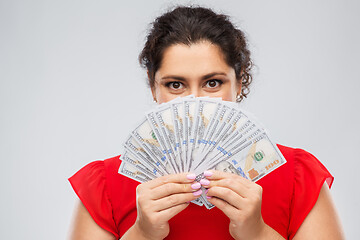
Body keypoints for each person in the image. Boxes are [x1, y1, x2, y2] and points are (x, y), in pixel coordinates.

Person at [68, 6, 344, 240]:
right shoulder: (104, 187)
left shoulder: (298, 179)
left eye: (213, 83)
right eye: (175, 84)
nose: (194, 102)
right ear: (153, 88)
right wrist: (141, 232)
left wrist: (259, 233)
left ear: (239, 82)